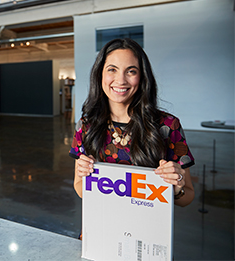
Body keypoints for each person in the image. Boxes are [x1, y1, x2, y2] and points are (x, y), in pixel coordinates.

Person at [69, 38, 195, 211]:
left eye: (131, 71)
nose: (121, 80)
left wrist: (177, 184)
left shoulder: (167, 125)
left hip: (148, 231)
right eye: (112, 69)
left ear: (142, 77)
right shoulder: (86, 126)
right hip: (100, 226)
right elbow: (80, 189)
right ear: (100, 74)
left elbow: (187, 197)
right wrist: (85, 176)